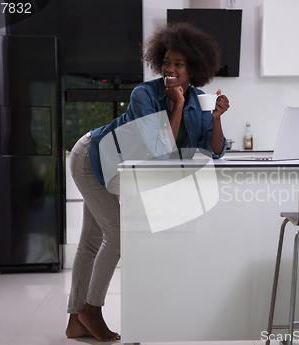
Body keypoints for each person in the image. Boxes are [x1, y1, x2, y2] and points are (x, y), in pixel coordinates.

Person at [65, 22, 230, 342]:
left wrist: (217, 118)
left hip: (114, 165)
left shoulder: (199, 100)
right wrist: (177, 104)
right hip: (92, 158)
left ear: (194, 69)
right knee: (117, 236)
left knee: (91, 241)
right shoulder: (144, 94)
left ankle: (76, 320)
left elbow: (214, 150)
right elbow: (159, 147)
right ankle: (92, 310)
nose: (170, 68)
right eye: (166, 62)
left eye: (178, 64)